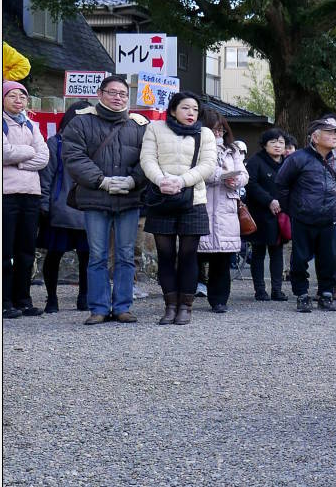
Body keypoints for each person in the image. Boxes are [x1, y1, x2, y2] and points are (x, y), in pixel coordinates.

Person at [60, 74, 149, 324]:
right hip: (95, 197)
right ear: (100, 94)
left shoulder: (139, 125)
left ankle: (122, 306)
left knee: (125, 254)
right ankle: (98, 307)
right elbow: (74, 157)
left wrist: (133, 180)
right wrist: (102, 181)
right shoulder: (81, 123)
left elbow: (149, 159)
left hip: (129, 199)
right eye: (112, 92)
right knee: (97, 254)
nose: (118, 97)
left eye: (122, 93)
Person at [141, 92, 217, 325]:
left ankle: (186, 306)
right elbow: (147, 159)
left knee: (188, 254)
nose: (191, 113)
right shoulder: (155, 128)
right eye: (185, 108)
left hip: (192, 199)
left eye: (195, 109)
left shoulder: (204, 133)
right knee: (165, 254)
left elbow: (208, 164)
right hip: (162, 197)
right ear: (173, 110)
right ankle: (170, 305)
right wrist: (161, 180)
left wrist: (181, 181)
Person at [275, 116, 336, 313]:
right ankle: (302, 294)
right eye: (329, 133)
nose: (334, 136)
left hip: (329, 216)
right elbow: (281, 184)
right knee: (299, 258)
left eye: (335, 132)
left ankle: (326, 293)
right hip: (303, 216)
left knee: (329, 258)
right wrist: (293, 208)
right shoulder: (297, 158)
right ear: (315, 137)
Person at [38, 100, 93, 313]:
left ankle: (82, 297)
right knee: (55, 255)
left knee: (86, 257)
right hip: (61, 208)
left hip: (83, 207)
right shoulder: (56, 143)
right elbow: (47, 177)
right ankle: (54, 298)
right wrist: (43, 204)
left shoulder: (94, 143)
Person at [2, 79, 49, 318]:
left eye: (22, 97)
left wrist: (17, 159)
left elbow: (44, 156)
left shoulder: (31, 124)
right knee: (5, 249)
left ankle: (24, 299)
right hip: (6, 193)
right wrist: (27, 154)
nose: (18, 101)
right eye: (13, 96)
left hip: (31, 193)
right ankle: (4, 300)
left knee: (26, 250)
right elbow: (3, 151)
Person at [196, 110, 248, 313]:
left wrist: (237, 180)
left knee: (222, 259)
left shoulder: (233, 149)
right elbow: (199, 173)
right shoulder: (195, 146)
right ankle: (186, 295)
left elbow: (243, 173)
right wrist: (221, 175)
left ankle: (219, 300)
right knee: (193, 255)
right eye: (214, 129)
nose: (218, 133)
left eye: (221, 129)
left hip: (226, 207)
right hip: (203, 203)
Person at [244, 128, 289, 301]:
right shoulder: (256, 161)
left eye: (281, 142)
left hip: (281, 214)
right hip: (260, 213)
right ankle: (260, 290)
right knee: (259, 251)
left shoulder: (287, 162)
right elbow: (251, 184)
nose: (278, 146)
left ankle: (277, 289)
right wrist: (269, 200)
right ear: (264, 145)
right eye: (273, 142)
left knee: (277, 251)